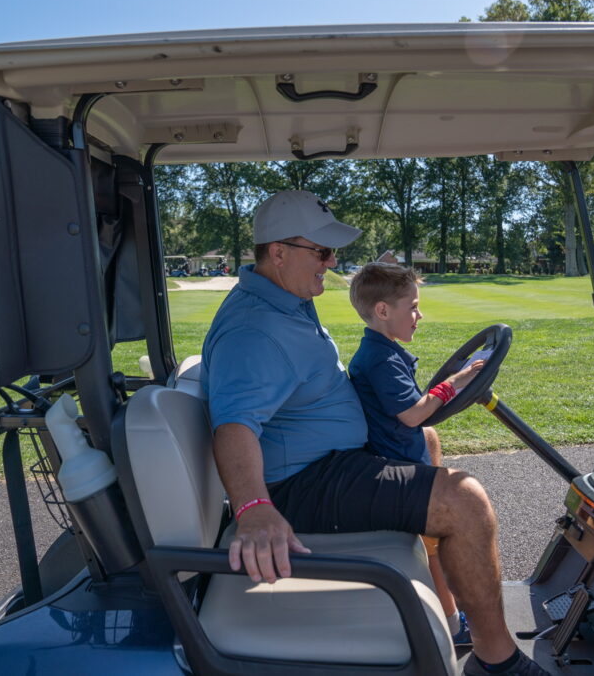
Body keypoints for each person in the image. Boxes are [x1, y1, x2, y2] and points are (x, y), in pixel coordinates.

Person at [201, 190, 547, 676]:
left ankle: (449, 608)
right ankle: (497, 659)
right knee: (465, 498)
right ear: (278, 252)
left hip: (326, 462)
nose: (331, 261)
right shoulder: (255, 330)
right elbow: (233, 426)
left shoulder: (284, 299)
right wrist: (255, 510)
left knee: (427, 443)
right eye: (320, 252)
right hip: (302, 482)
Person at [347, 261, 485, 648]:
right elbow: (412, 414)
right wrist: (455, 382)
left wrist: (444, 388)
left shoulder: (381, 350)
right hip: (395, 467)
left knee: (432, 436)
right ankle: (453, 623)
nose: (419, 315)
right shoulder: (381, 359)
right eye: (413, 306)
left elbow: (417, 416)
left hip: (398, 453)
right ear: (383, 311)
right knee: (439, 540)